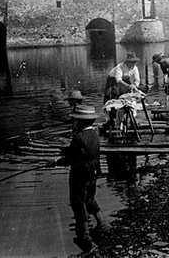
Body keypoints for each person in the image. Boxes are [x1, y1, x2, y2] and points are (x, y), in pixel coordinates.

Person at [47, 105, 107, 253]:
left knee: (78, 202)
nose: (74, 123)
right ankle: (101, 223)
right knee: (91, 199)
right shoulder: (96, 134)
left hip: (79, 175)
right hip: (92, 173)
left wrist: (55, 162)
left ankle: (85, 234)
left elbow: (71, 159)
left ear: (81, 122)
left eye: (76, 120)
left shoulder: (78, 137)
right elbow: (94, 155)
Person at [103, 53, 140, 128]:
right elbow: (118, 80)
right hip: (114, 82)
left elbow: (137, 79)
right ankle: (111, 120)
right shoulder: (120, 67)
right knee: (113, 99)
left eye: (134, 62)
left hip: (125, 81)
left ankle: (130, 119)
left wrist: (134, 85)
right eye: (131, 62)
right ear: (127, 62)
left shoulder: (135, 68)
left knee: (129, 100)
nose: (133, 64)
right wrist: (128, 86)